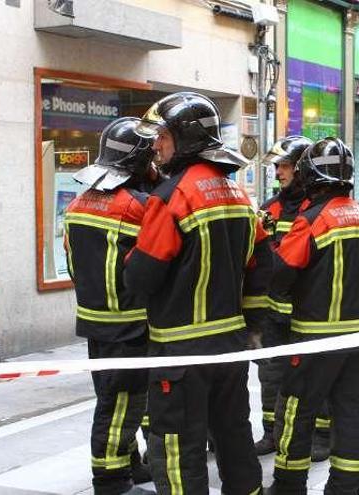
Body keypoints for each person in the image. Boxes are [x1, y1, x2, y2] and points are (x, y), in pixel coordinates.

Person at [124, 92, 265, 493]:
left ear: (183, 139)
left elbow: (141, 278)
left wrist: (129, 255)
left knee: (178, 450)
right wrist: (249, 327)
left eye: (163, 137)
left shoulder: (171, 198)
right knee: (235, 439)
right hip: (230, 349)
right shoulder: (239, 195)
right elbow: (261, 270)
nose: (156, 146)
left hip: (180, 356)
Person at [265, 137, 359, 495]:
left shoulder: (312, 220)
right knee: (349, 416)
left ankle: (287, 485)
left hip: (316, 339)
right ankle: (345, 486)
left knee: (295, 414)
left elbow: (280, 276)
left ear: (311, 177)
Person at [64, 117, 159, 495]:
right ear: (138, 162)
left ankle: (131, 465)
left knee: (111, 398)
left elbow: (72, 262)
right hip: (130, 323)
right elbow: (153, 266)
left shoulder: (78, 202)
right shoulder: (138, 208)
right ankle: (111, 480)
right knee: (121, 405)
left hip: (93, 320)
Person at [246, 136, 332, 462]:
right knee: (270, 375)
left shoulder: (316, 209)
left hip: (307, 313)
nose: (278, 172)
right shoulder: (271, 208)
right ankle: (272, 432)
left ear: (301, 168)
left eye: (284, 165)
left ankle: (321, 435)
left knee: (311, 378)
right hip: (273, 313)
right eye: (277, 166)